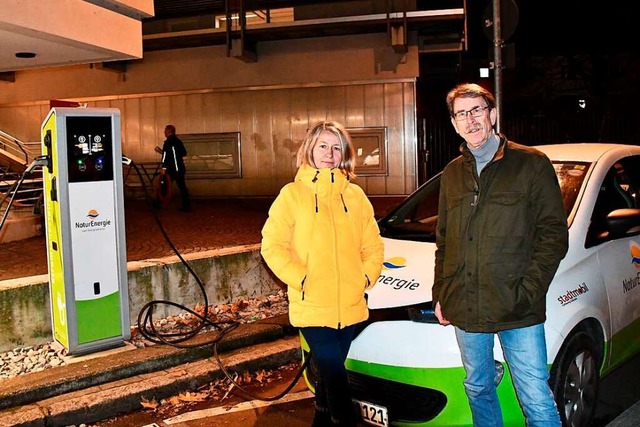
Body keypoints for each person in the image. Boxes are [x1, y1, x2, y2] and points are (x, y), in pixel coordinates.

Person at [432, 83, 569, 427]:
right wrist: (442, 293)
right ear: (454, 123)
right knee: (478, 388)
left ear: (492, 115)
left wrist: (528, 291)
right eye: (462, 113)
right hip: (465, 304)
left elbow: (553, 235)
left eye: (477, 110)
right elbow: (445, 239)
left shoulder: (531, 164)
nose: (471, 119)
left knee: (535, 396)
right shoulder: (451, 174)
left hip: (518, 307)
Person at [260, 120, 384, 426]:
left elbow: (373, 246)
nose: (329, 153)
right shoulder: (292, 195)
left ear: (345, 154)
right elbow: (272, 246)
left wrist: (365, 277)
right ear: (310, 151)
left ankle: (322, 414)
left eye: (336, 147)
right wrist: (302, 278)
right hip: (312, 305)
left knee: (329, 376)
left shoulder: (355, 196)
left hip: (351, 306)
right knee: (335, 374)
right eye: (323, 146)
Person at [161, 124, 190, 212]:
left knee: (164, 185)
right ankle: (186, 205)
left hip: (172, 169)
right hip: (180, 168)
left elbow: (165, 156)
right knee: (182, 187)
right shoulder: (178, 141)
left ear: (169, 131)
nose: (164, 132)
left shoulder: (168, 142)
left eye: (165, 130)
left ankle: (160, 202)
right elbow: (184, 153)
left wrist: (163, 167)